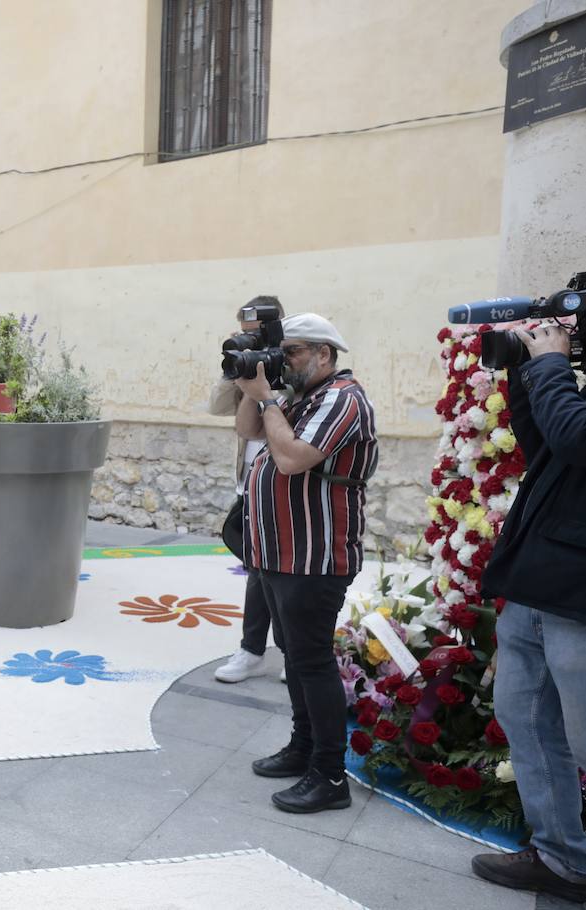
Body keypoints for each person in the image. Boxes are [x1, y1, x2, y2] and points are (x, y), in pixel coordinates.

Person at [471, 318, 586, 907]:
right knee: (526, 722)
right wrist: (523, 370)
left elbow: (578, 437)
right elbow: (546, 442)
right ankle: (560, 859)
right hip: (537, 585)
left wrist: (550, 366)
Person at [233, 313, 377, 813]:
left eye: (292, 351)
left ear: (324, 354)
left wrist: (270, 397)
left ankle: (330, 774)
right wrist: (256, 389)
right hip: (279, 550)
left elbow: (293, 458)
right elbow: (247, 430)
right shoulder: (301, 396)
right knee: (293, 654)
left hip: (315, 552)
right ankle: (303, 747)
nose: (284, 359)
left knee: (311, 659)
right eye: (283, 350)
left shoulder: (342, 398)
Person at [209, 297, 285, 684]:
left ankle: (288, 650)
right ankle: (253, 650)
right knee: (257, 570)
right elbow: (217, 407)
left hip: (286, 484)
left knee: (284, 575)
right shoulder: (248, 367)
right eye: (242, 332)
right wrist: (233, 366)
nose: (247, 340)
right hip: (251, 484)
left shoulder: (290, 362)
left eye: (253, 334)